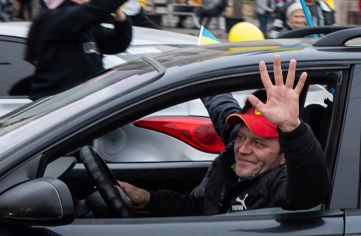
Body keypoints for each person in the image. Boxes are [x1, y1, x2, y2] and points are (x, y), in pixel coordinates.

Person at [118, 55, 331, 215]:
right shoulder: (234, 157)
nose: (243, 149)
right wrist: (148, 199)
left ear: (284, 155)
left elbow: (310, 188)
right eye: (241, 137)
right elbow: (203, 208)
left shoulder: (282, 185)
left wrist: (292, 128)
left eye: (259, 143)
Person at [25, 0, 170, 100]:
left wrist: (120, 17)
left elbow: (118, 44)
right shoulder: (54, 21)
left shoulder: (87, 28)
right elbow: (94, 10)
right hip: (54, 110)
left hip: (85, 107)